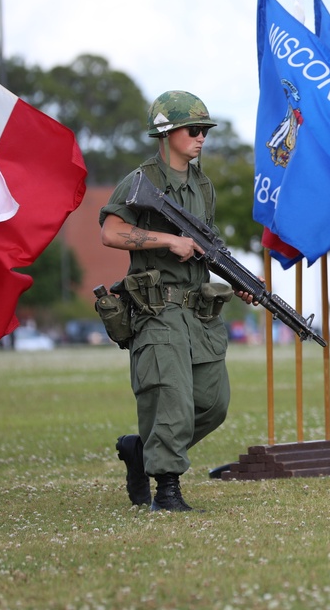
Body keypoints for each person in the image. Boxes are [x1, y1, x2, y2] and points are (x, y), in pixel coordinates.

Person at [99, 90, 253, 512]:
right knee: (171, 399)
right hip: (157, 310)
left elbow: (206, 248)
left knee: (212, 403)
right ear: (167, 133)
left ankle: (141, 451)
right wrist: (167, 240)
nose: (202, 137)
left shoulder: (202, 185)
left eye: (205, 130)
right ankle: (166, 491)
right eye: (194, 129)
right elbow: (110, 233)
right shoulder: (140, 181)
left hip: (198, 312)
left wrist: (239, 282)